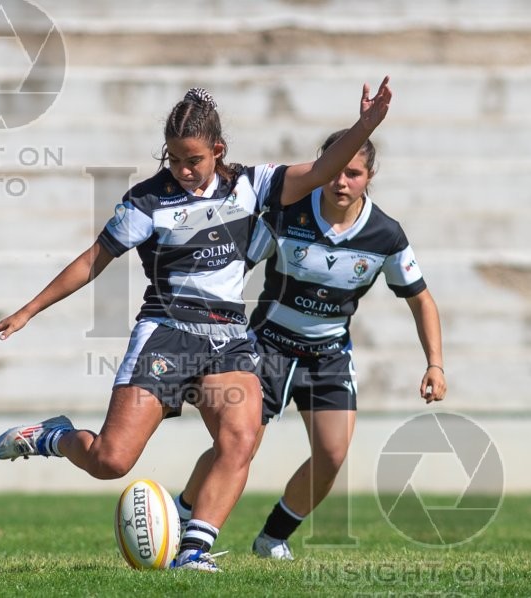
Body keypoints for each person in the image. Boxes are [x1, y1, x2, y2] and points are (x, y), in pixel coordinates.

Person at [0, 79, 393, 572]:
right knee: (112, 461)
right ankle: (52, 436)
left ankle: (194, 550)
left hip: (228, 338)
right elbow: (93, 261)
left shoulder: (250, 186)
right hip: (167, 332)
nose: (182, 170)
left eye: (192, 159)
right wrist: (28, 310)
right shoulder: (147, 201)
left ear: (218, 151)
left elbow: (322, 169)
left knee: (240, 438)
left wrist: (365, 125)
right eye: (172, 159)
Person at [175, 129, 446, 560]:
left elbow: (422, 299)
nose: (341, 182)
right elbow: (234, 267)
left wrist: (435, 363)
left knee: (332, 456)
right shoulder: (288, 215)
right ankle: (183, 513)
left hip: (328, 355)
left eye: (353, 174)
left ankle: (272, 538)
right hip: (267, 348)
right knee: (237, 444)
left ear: (369, 176)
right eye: (335, 171)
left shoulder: (385, 235)